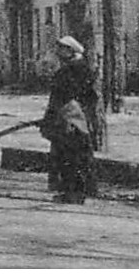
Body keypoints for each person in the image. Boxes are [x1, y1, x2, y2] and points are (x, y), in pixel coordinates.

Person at [41, 35, 99, 204]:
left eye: (61, 49)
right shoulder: (75, 67)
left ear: (70, 50)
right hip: (70, 117)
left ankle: (74, 193)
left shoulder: (75, 69)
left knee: (70, 157)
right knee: (69, 156)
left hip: (72, 118)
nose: (58, 52)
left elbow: (66, 96)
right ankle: (71, 192)